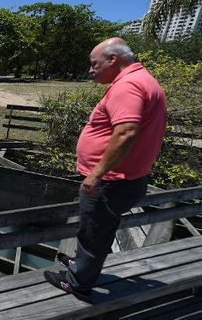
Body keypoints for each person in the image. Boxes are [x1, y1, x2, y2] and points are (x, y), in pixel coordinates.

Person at [43, 37, 167, 298]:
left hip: (110, 181)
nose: (91, 69)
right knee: (96, 228)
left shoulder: (129, 85)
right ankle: (83, 266)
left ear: (113, 59)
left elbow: (126, 133)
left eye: (94, 63)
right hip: (127, 178)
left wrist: (96, 174)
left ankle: (78, 283)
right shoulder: (144, 80)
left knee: (94, 233)